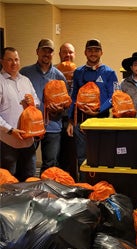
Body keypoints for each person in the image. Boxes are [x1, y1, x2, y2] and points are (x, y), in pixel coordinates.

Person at [67, 39, 118, 181]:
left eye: (96, 50)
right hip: (81, 122)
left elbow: (113, 97)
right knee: (82, 157)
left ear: (101, 52)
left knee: (101, 156)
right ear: (85, 52)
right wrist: (71, 121)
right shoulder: (78, 72)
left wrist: (99, 110)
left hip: (100, 121)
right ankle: (84, 187)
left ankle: (100, 187)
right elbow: (74, 96)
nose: (93, 53)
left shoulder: (109, 73)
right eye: (90, 50)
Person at [20, 39, 67, 175]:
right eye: (44, 50)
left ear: (53, 54)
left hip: (53, 126)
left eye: (50, 51)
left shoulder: (59, 76)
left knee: (50, 164)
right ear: (37, 52)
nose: (47, 53)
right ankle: (27, 192)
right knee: (27, 162)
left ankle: (46, 194)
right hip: (31, 126)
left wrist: (60, 108)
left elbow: (65, 103)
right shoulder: (25, 72)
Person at [0, 47, 40, 181]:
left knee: (29, 181)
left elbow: (37, 102)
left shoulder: (25, 80)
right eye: (9, 60)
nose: (14, 63)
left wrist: (32, 102)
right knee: (8, 185)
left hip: (28, 142)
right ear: (2, 61)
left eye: (16, 59)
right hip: (7, 143)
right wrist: (10, 130)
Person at [56, 42, 78, 180]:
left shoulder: (79, 72)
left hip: (73, 120)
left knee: (72, 155)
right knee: (56, 155)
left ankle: (72, 183)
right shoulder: (54, 72)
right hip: (55, 119)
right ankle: (57, 183)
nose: (67, 55)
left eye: (70, 52)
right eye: (64, 52)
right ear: (59, 54)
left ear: (74, 54)